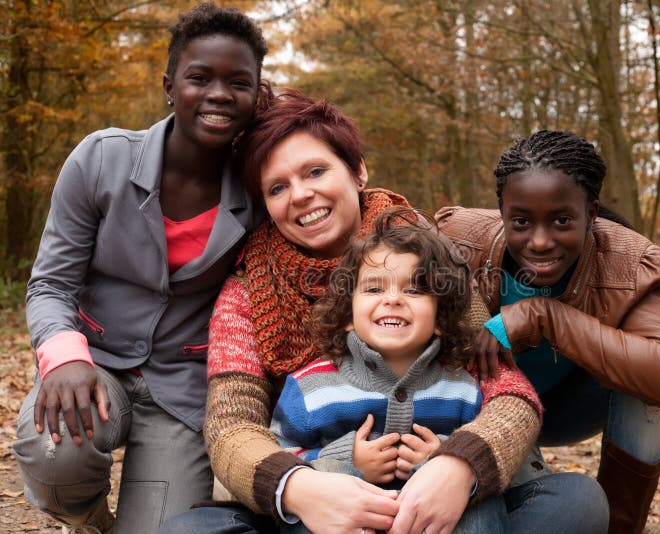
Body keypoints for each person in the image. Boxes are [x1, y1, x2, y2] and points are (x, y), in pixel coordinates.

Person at [160, 91, 608, 534]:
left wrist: (461, 465)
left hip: (441, 492)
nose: (301, 195)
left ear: (357, 172)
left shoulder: (426, 253)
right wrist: (298, 487)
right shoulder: (247, 290)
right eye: (277, 187)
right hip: (320, 496)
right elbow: (231, 426)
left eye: (316, 171)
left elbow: (505, 387)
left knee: (576, 502)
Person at [12, 4, 268, 533]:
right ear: (169, 86)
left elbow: (336, 194)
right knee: (54, 452)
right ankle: (87, 518)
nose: (219, 93)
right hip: (95, 360)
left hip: (182, 389)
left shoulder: (261, 188)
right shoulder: (101, 160)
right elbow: (51, 283)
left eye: (238, 82)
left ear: (257, 96)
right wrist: (63, 358)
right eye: (200, 78)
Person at [435, 129, 660, 534]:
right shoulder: (457, 239)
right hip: (485, 405)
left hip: (571, 406)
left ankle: (621, 527)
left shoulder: (636, 265)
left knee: (650, 391)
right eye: (520, 221)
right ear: (501, 210)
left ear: (591, 213)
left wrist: (545, 316)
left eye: (562, 221)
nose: (540, 241)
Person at [272, 210, 519, 533]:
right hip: (346, 519)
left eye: (414, 290)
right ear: (348, 313)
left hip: (434, 520)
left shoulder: (463, 387)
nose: (393, 299)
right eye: (374, 289)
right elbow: (281, 454)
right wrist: (345, 458)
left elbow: (490, 455)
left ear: (441, 318)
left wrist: (447, 454)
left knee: (482, 501)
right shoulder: (312, 386)